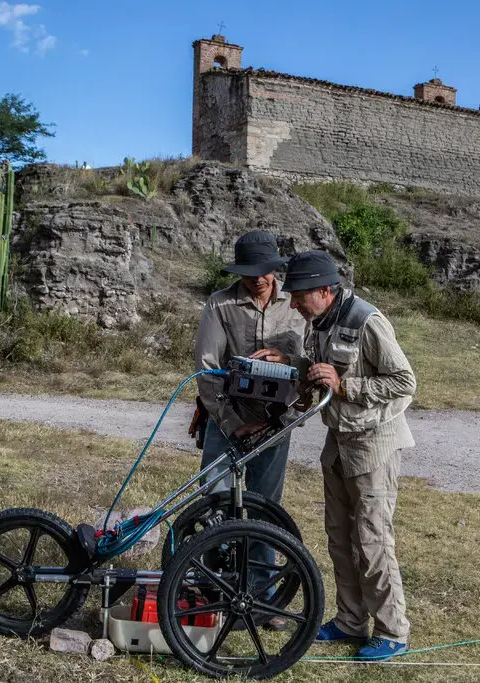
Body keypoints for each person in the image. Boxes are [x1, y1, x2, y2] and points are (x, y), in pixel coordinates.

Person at [253, 250, 416, 660]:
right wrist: (291, 363)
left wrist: (347, 388)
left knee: (372, 540)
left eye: (299, 295)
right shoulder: (320, 321)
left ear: (325, 291)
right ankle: (350, 620)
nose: (292, 303)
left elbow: (404, 381)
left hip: (373, 445)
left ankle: (392, 632)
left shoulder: (367, 321)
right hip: (338, 443)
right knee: (340, 538)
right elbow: (319, 370)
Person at [192, 230, 307, 628]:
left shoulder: (294, 305)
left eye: (263, 271)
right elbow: (207, 369)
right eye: (249, 272)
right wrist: (231, 422)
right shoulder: (220, 304)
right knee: (216, 507)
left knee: (262, 509)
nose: (257, 279)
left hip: (276, 426)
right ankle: (212, 592)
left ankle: (261, 598)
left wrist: (286, 354)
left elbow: (311, 357)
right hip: (227, 421)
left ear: (274, 269)